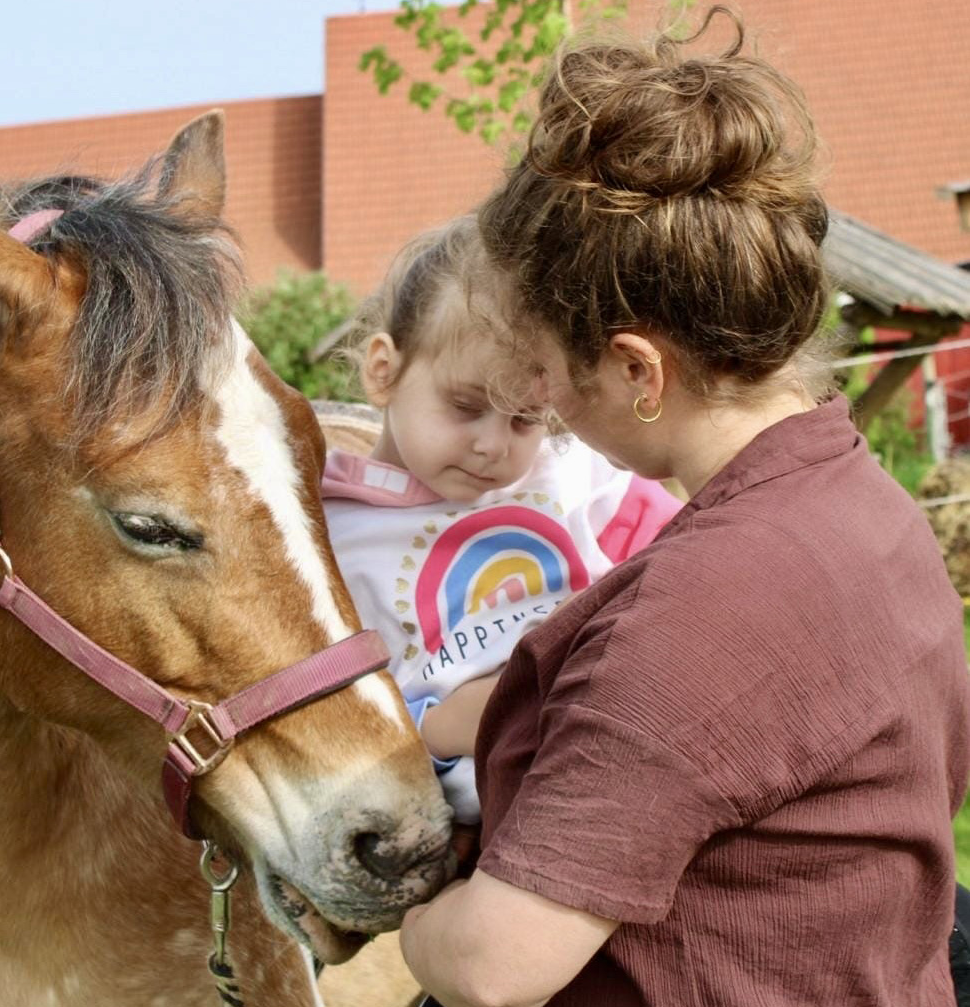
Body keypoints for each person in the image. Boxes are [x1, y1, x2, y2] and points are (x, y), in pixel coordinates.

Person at [397, 10, 970, 1007]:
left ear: (635, 369)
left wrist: (408, 913)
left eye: (546, 374)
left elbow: (496, 964)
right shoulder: (859, 502)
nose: (548, 411)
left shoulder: (703, 606)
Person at [321, 216, 680, 823]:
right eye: (465, 407)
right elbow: (335, 724)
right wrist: (440, 728)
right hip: (492, 821)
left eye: (524, 418)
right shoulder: (329, 537)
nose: (494, 445)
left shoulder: (571, 473)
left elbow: (695, 557)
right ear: (384, 371)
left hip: (627, 757)